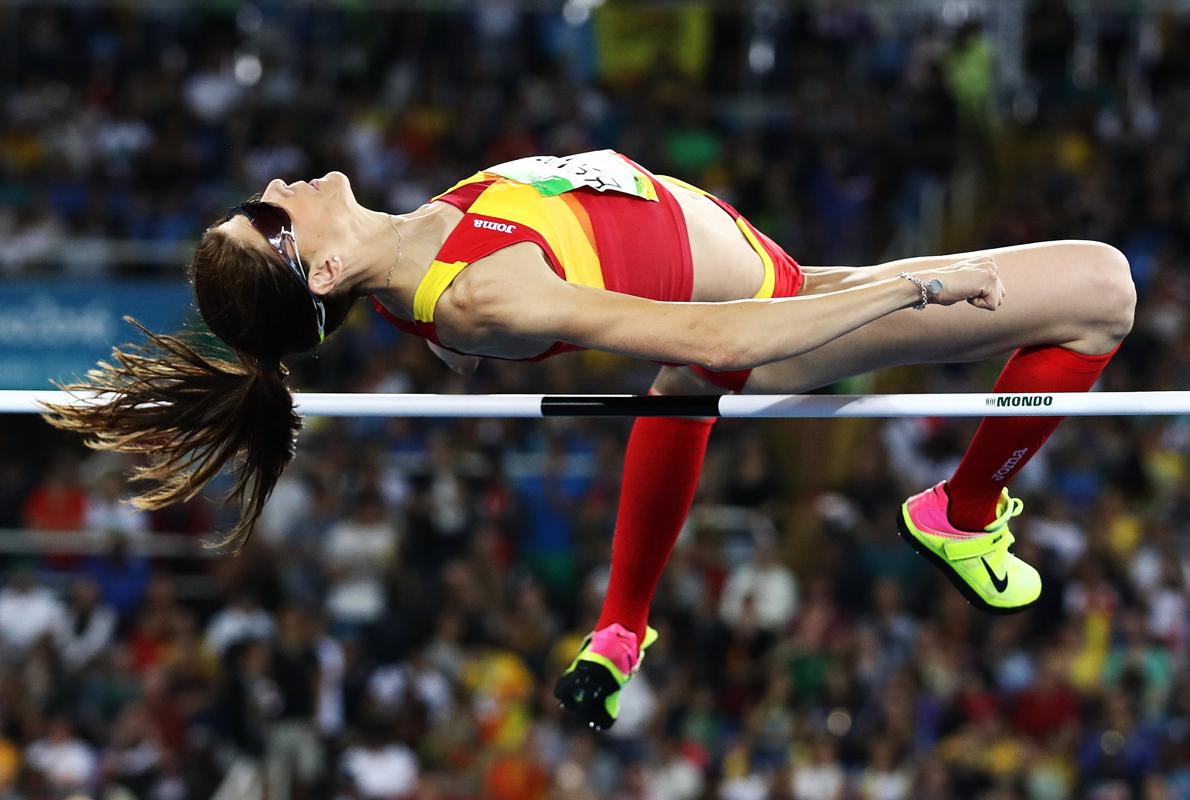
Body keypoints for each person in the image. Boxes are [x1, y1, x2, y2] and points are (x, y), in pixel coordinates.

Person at [44, 150, 1134, 731]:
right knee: (1100, 290)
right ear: (319, 272)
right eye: (266, 215)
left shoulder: (402, 270)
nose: (276, 187)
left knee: (674, 391)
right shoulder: (475, 292)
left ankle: (620, 628)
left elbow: (475, 329)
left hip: (768, 270)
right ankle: (961, 510)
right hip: (779, 318)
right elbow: (712, 335)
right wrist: (909, 283)